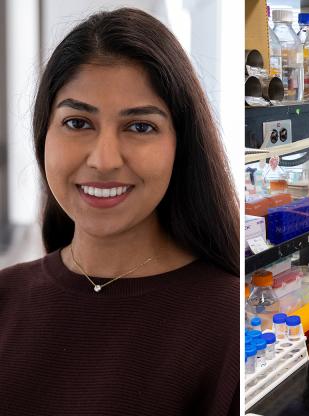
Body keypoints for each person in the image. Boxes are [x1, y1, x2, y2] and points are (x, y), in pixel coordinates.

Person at [0, 9, 239, 415]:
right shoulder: (6, 298)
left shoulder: (228, 322)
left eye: (140, 127)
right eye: (77, 123)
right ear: (44, 134)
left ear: (180, 145)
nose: (104, 159)